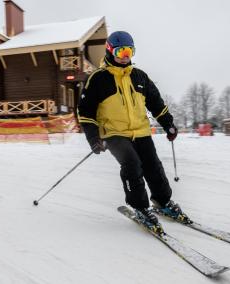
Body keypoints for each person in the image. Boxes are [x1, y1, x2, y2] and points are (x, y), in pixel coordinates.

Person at [77, 31, 188, 231]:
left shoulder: (140, 77)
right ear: (110, 51)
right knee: (132, 164)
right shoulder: (97, 79)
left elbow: (157, 104)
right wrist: (93, 137)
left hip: (141, 131)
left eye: (129, 51)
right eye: (121, 51)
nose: (125, 56)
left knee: (153, 166)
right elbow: (85, 112)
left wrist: (168, 124)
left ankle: (163, 202)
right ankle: (140, 207)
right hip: (114, 133)